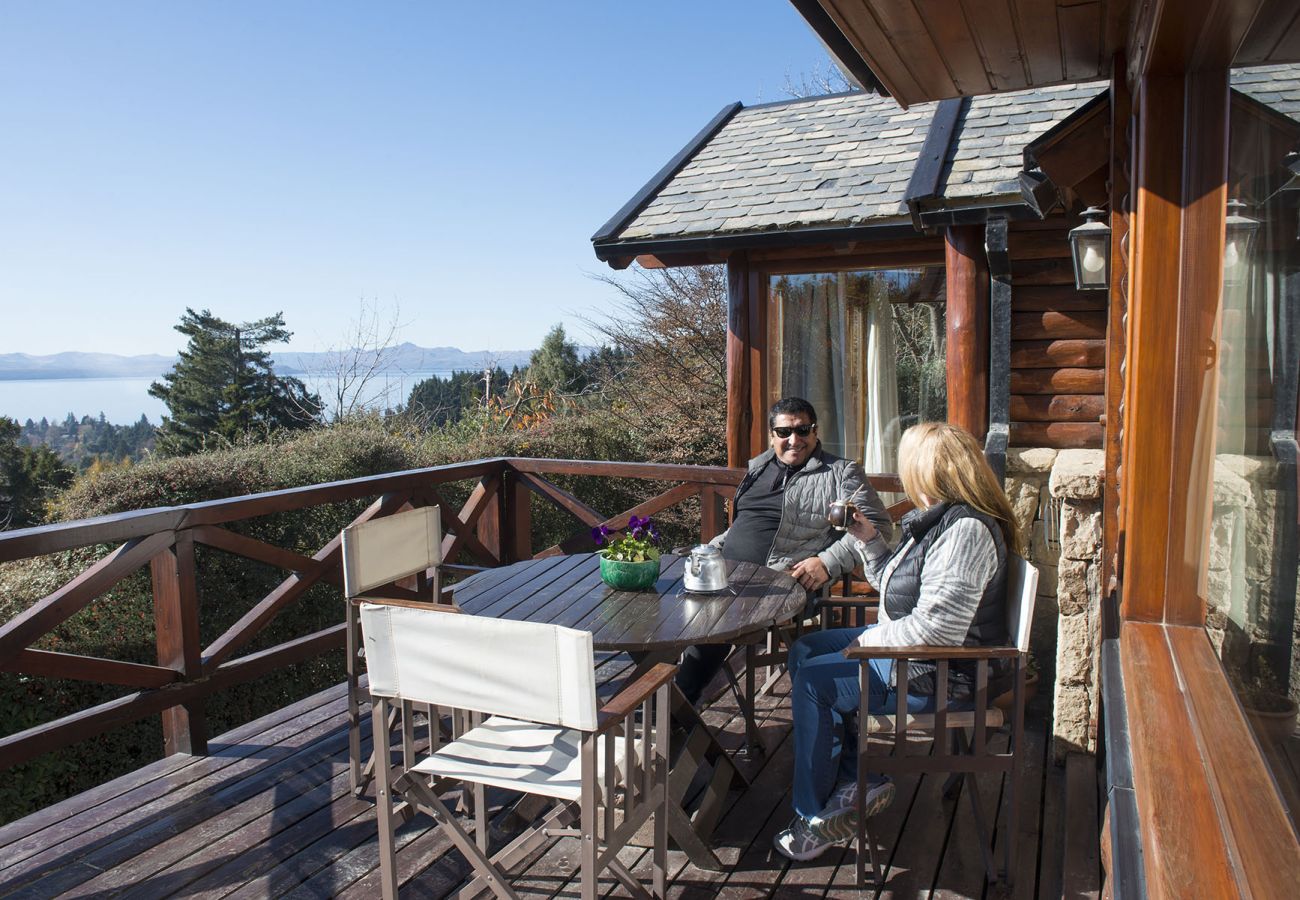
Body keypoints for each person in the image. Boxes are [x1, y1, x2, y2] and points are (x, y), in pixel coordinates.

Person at [772, 421, 1022, 862]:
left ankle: (813, 818)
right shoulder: (937, 518)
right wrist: (867, 539)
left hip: (941, 676)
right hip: (911, 652)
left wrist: (867, 643)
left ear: (926, 470)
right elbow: (893, 587)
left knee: (814, 682)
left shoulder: (964, 531)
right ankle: (852, 780)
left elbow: (936, 632)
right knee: (806, 649)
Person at [674, 397, 892, 707]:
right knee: (659, 598)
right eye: (784, 432)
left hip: (782, 583)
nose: (794, 440)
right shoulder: (759, 467)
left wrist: (828, 562)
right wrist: (710, 549)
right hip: (725, 570)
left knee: (712, 615)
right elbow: (743, 527)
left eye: (803, 430)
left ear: (815, 432)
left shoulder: (841, 473)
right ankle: (659, 688)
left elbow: (880, 529)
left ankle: (677, 704)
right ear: (772, 435)